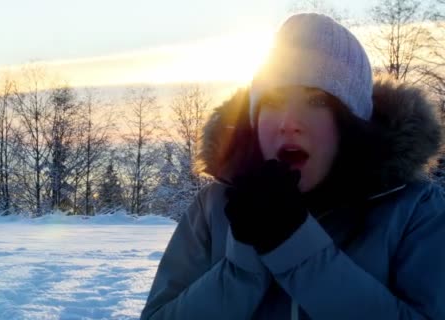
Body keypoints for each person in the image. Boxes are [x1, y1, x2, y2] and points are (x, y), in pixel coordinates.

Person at [141, 13, 445, 319]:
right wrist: (245, 265)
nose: (288, 123)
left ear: (353, 122)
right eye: (272, 101)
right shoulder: (213, 208)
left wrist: (295, 247)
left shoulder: (415, 210)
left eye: (317, 101)